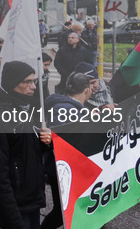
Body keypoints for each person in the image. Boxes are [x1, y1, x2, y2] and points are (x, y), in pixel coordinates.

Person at [0, 61, 51, 228]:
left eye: (34, 81)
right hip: (14, 201)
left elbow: (26, 149)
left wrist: (44, 141)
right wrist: (11, 216)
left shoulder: (25, 107)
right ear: (12, 82)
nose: (33, 87)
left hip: (30, 197)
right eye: (27, 82)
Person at [42, 72, 92, 229]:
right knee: (61, 212)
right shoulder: (65, 108)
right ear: (86, 90)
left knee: (77, 209)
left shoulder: (71, 106)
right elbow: (59, 136)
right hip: (62, 169)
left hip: (67, 167)